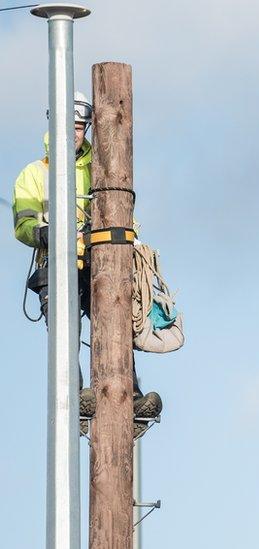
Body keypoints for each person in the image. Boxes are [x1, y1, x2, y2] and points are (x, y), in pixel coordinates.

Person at [12, 91, 162, 434]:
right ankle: (78, 398)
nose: (75, 133)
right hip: (57, 263)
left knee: (115, 323)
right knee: (65, 332)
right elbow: (23, 225)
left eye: (80, 127)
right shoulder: (35, 174)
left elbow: (124, 215)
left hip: (99, 262)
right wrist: (50, 233)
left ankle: (131, 396)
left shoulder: (103, 170)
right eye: (70, 126)